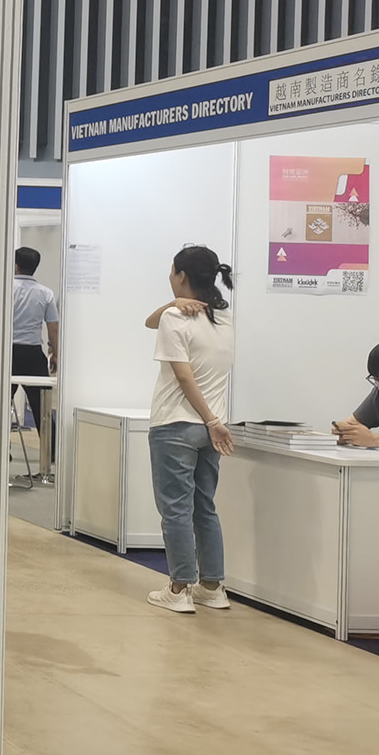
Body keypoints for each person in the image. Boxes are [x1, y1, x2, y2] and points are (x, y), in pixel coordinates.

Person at [143, 245, 237, 613]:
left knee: (175, 509)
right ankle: (212, 586)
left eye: (172, 272)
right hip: (210, 429)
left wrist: (210, 420)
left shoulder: (175, 319)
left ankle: (179, 588)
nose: (170, 277)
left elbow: (184, 377)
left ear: (181, 276)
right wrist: (214, 422)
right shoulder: (225, 316)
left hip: (176, 423)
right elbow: (150, 322)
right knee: (204, 507)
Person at [12, 246, 61, 433]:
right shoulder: (45, 293)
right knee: (42, 407)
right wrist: (55, 353)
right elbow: (53, 328)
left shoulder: (4, 288)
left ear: (16, 266)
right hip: (32, 354)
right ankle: (50, 447)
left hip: (6, 353)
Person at [332, 343, 379, 449]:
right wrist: (344, 433)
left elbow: (372, 439)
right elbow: (352, 424)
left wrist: (375, 440)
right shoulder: (378, 395)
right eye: (377, 380)